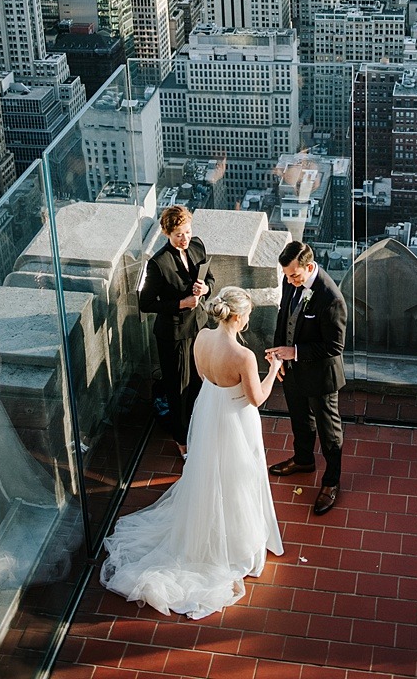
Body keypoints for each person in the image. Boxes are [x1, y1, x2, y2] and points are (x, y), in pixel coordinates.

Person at [100, 286, 283, 619]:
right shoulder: (244, 357)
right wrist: (272, 370)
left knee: (208, 471)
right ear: (239, 317)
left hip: (209, 407)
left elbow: (202, 375)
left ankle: (208, 523)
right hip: (234, 419)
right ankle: (235, 538)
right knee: (238, 475)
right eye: (249, 315)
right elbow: (256, 399)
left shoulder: (200, 337)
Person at [266, 241, 347, 516]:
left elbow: (335, 347)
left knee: (329, 431)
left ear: (309, 267)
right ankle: (303, 460)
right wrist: (279, 356)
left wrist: (295, 352)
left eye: (294, 276)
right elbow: (283, 316)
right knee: (299, 418)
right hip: (293, 369)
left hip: (321, 376)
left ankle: (331, 481)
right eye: (287, 276)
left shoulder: (331, 298)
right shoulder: (292, 279)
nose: (289, 281)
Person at [138, 206, 214, 459]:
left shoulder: (197, 246)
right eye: (179, 234)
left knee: (198, 381)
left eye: (188, 232)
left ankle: (197, 426)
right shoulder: (158, 263)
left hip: (198, 326)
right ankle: (182, 440)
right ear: (167, 233)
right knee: (178, 387)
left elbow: (210, 278)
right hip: (173, 334)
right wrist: (180, 304)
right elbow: (146, 303)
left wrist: (206, 289)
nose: (185, 239)